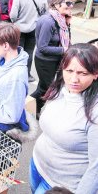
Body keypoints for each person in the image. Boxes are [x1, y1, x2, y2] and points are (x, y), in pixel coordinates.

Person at [31, 43, 98, 194]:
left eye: (83, 73)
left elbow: (96, 169)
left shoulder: (95, 112)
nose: (74, 79)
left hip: (62, 185)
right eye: (69, 71)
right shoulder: (59, 88)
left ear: (95, 74)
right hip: (37, 165)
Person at [32, 0, 74, 115]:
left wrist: (68, 24)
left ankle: (34, 109)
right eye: (67, 3)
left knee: (45, 87)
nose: (71, 6)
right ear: (56, 5)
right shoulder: (48, 21)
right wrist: (64, 50)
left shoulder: (61, 19)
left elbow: (67, 40)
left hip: (55, 60)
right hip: (45, 61)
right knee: (46, 88)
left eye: (72, 3)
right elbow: (42, 47)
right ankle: (29, 108)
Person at [10, 0, 47, 83]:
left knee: (17, 52)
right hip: (34, 28)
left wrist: (16, 21)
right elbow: (45, 13)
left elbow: (13, 15)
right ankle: (27, 75)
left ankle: (15, 75)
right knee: (29, 52)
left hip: (19, 29)